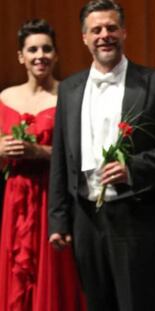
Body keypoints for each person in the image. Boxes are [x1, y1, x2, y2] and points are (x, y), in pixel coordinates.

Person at [48, 1, 155, 310]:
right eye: (96, 29)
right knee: (97, 303)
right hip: (85, 220)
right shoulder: (70, 88)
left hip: (134, 217)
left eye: (112, 28)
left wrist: (134, 167)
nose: (105, 35)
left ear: (124, 32)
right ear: (84, 37)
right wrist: (58, 220)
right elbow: (61, 158)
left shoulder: (154, 83)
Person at [0, 19, 85, 311]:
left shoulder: (69, 95)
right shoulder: (5, 97)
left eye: (47, 49)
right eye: (33, 49)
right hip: (16, 196)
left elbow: (79, 154)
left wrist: (39, 151)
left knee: (56, 271)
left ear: (56, 55)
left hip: (54, 195)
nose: (40, 55)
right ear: (20, 56)